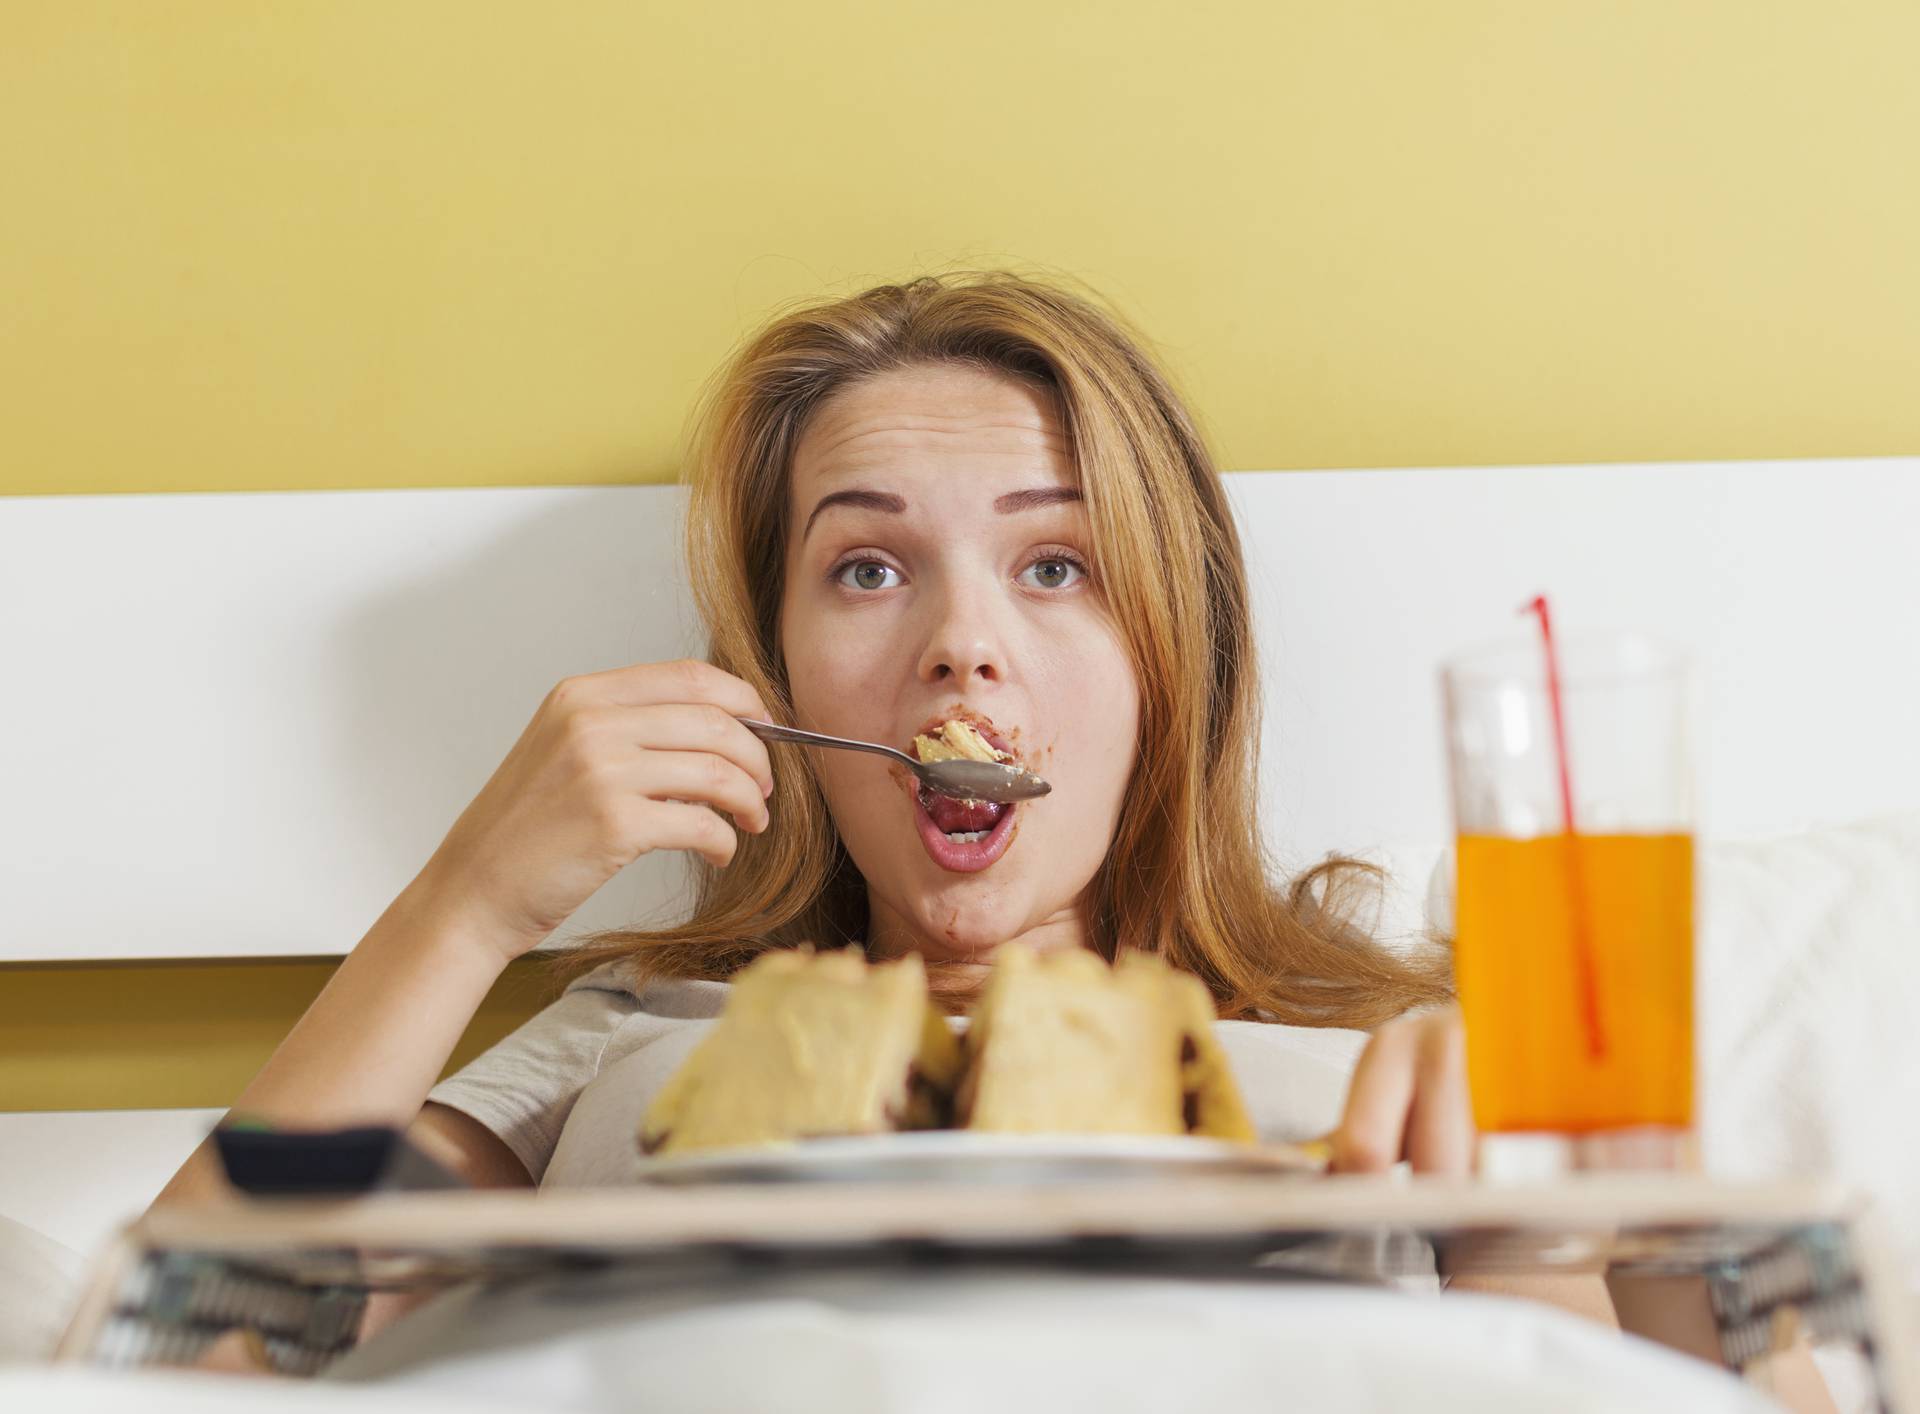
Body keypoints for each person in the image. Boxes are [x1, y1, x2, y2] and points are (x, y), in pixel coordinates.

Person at [152, 271, 1472, 1215]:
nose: (964, 641)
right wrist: (463, 905)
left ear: (1176, 654)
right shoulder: (627, 1032)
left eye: (1056, 562)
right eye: (867, 569)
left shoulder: (1400, 1054)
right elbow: (190, 1353)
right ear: (774, 667)